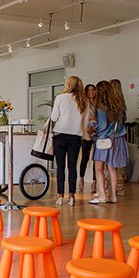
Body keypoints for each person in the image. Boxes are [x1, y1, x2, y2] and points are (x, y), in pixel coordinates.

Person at [50, 75, 87, 206]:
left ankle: (60, 196)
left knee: (60, 167)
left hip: (60, 136)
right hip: (76, 137)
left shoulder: (60, 98)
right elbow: (85, 121)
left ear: (68, 85)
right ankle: (72, 196)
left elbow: (54, 118)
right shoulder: (83, 100)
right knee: (72, 167)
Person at [90, 80, 128, 204]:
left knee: (99, 168)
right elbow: (124, 121)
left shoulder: (102, 106)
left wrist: (93, 127)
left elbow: (102, 125)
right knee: (112, 168)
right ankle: (113, 196)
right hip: (117, 140)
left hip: (103, 141)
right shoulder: (119, 106)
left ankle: (102, 195)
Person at [110, 79, 128, 196]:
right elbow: (124, 119)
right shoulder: (122, 104)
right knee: (118, 165)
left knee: (110, 165)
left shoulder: (110, 104)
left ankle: (111, 189)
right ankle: (119, 187)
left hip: (111, 138)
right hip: (120, 138)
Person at [79, 83, 97, 193]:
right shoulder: (83, 103)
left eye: (93, 90)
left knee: (96, 158)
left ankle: (94, 182)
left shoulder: (98, 103)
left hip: (97, 133)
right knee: (84, 157)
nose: (91, 92)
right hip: (85, 133)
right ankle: (81, 178)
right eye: (89, 90)